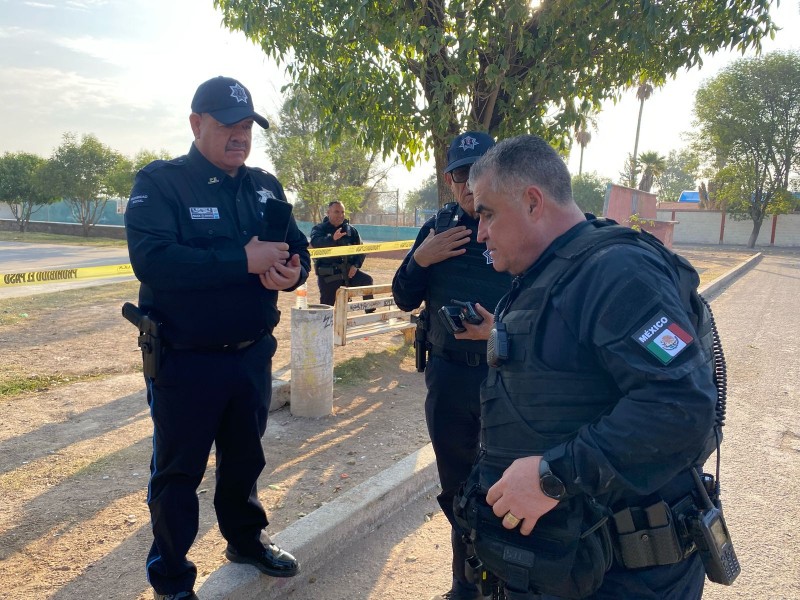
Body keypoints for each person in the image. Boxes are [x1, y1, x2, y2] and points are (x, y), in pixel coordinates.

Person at [458, 134, 720, 599]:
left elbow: (681, 405)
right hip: (565, 563)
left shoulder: (616, 271)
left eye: (488, 214)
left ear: (533, 202)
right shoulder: (548, 272)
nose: (480, 232)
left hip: (626, 578)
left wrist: (551, 476)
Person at [124, 76, 310, 600]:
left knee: (245, 459)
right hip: (186, 361)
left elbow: (298, 248)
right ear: (196, 124)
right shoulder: (162, 183)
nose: (240, 136)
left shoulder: (265, 186)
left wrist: (292, 272)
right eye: (228, 125)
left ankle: (245, 540)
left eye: (247, 126)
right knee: (178, 472)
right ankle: (171, 577)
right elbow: (153, 260)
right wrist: (241, 261)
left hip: (251, 355)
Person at [392, 131, 513, 600]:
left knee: (505, 484)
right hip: (449, 378)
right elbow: (404, 297)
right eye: (461, 175)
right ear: (449, 180)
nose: (469, 185)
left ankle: (506, 581)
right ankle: (465, 584)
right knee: (458, 487)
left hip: (504, 378)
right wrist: (420, 260)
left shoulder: (515, 226)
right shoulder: (437, 228)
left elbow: (545, 305)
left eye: (478, 173)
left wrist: (499, 330)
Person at [310, 201, 375, 309]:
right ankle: (326, 320)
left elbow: (361, 250)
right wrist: (332, 239)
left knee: (366, 280)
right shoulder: (319, 229)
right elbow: (315, 243)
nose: (340, 215)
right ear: (328, 212)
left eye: (342, 212)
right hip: (329, 276)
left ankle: (370, 313)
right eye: (336, 212)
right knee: (326, 307)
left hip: (348, 273)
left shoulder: (351, 230)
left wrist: (355, 265)